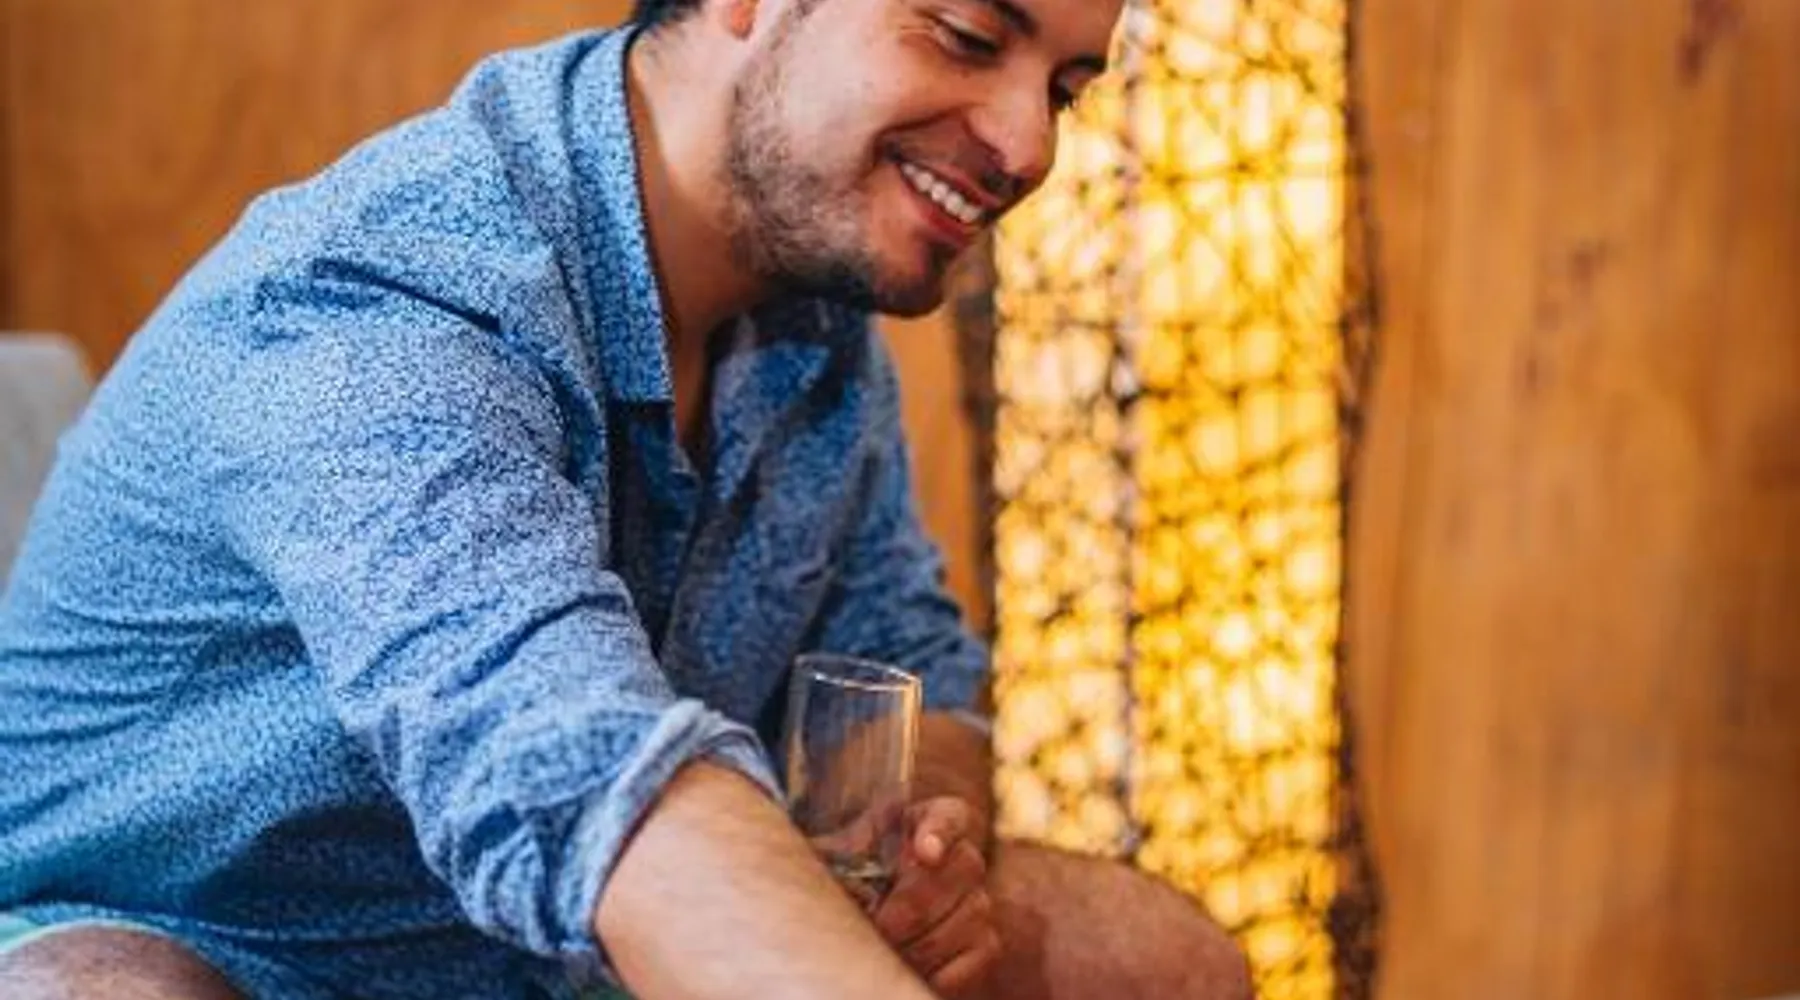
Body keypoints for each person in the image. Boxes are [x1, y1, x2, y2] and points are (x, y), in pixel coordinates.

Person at [0, 0, 1253, 997]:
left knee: (1165, 959)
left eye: (1065, 89)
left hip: (552, 955)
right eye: (969, 36)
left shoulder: (818, 321)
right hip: (214, 950)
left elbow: (912, 667)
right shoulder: (381, 302)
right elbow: (585, 781)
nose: (1030, 147)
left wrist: (923, 842)